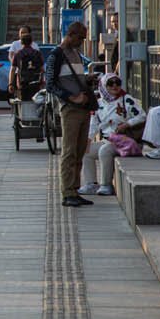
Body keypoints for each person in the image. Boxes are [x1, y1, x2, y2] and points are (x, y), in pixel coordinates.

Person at [45, 21, 95, 206]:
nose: (81, 42)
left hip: (84, 107)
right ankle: (67, 192)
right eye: (80, 38)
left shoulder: (77, 55)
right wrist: (71, 98)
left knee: (80, 150)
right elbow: (50, 84)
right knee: (69, 151)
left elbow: (73, 78)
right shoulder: (56, 55)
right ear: (71, 34)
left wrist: (87, 80)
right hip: (70, 108)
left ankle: (75, 189)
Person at [80, 73, 146, 196]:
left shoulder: (126, 99)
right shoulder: (98, 103)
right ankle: (91, 184)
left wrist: (127, 124)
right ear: (103, 86)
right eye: (110, 83)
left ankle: (106, 184)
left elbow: (142, 116)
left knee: (104, 151)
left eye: (117, 83)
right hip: (108, 139)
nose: (115, 86)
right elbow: (94, 124)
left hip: (126, 140)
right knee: (86, 151)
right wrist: (88, 140)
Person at [8, 29, 46, 101]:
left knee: (24, 102)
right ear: (31, 42)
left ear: (21, 42)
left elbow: (12, 70)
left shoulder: (18, 54)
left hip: (22, 83)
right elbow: (42, 69)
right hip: (36, 83)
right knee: (36, 102)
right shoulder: (37, 53)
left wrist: (10, 84)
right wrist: (42, 81)